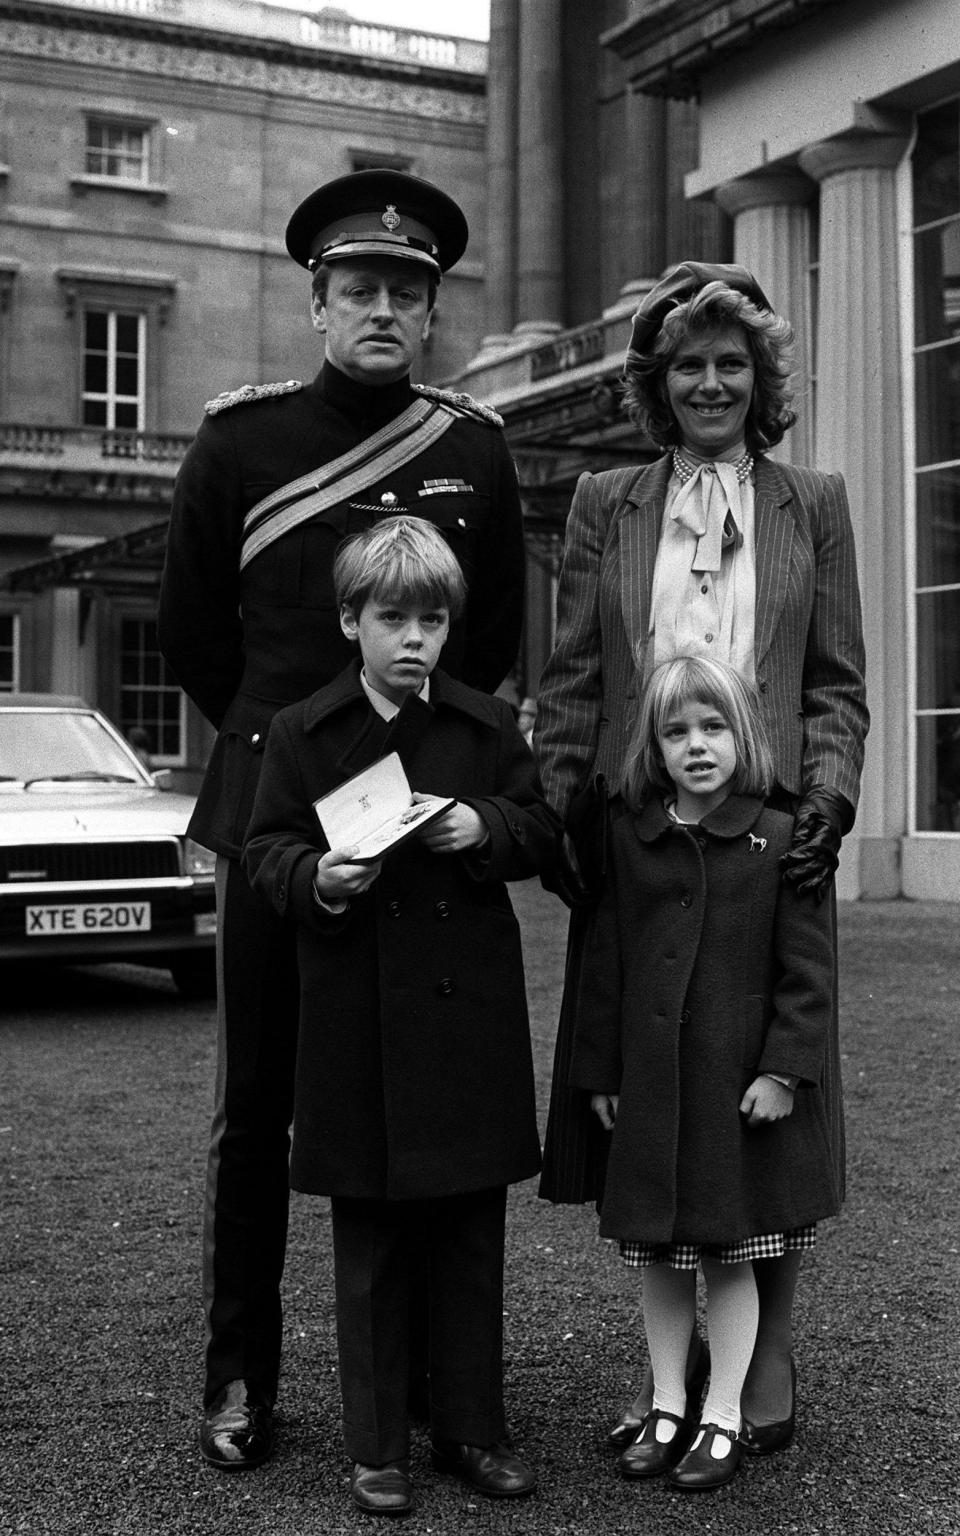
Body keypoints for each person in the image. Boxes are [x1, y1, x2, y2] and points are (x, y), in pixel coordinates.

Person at [157, 168, 526, 1470]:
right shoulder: (237, 444)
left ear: (431, 311)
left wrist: (417, 779)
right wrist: (290, 762)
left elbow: (493, 648)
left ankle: (432, 1388)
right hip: (277, 817)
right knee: (257, 1106)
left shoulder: (473, 449)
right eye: (360, 287)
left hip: (420, 824)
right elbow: (197, 634)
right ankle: (239, 1378)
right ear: (317, 300)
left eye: (407, 292)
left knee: (418, 1095)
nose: (384, 309)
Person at [534, 261, 868, 1453]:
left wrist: (828, 798)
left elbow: (835, 681)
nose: (712, 382)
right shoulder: (605, 503)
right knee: (655, 1078)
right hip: (641, 832)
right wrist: (562, 805)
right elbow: (573, 671)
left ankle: (761, 1351)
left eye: (733, 363)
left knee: (761, 1082)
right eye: (689, 365)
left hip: (768, 834)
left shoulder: (812, 501)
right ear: (656, 384)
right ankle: (675, 1374)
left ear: (761, 379)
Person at [242, 516, 555, 1516]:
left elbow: (541, 829)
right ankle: (377, 1448)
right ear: (350, 622)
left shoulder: (484, 725)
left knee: (470, 1236)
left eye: (432, 619)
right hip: (356, 1020)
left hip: (468, 1021)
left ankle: (472, 1431)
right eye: (392, 618)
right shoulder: (302, 730)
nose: (415, 638)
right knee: (370, 1241)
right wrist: (318, 880)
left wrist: (486, 826)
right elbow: (265, 849)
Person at [570, 655, 838, 1491]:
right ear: (653, 744)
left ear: (744, 735)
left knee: (728, 1256)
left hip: (734, 1094)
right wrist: (601, 1072)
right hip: (652, 1090)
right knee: (657, 1256)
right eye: (676, 730)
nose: (696, 746)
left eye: (714, 727)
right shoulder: (634, 836)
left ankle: (721, 1417)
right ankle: (665, 1406)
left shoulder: (782, 840)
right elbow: (607, 966)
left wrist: (784, 1073)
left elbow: (809, 975)